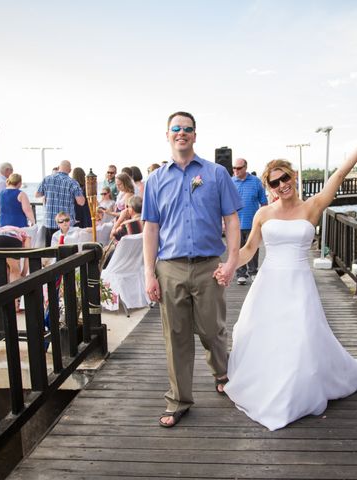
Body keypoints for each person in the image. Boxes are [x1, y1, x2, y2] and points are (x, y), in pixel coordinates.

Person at [215, 130, 357, 431]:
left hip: (300, 284)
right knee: (267, 335)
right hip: (269, 283)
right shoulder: (264, 214)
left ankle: (297, 391)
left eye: (285, 178)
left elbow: (341, 172)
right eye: (275, 182)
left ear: (293, 176)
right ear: (270, 187)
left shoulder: (312, 207)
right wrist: (227, 266)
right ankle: (272, 387)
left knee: (301, 335)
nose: (282, 185)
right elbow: (250, 249)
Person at [142, 111, 242, 428]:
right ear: (168, 135)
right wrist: (148, 273)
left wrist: (231, 261)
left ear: (195, 136)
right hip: (169, 268)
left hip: (208, 267)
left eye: (187, 129)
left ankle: (222, 373)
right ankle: (179, 400)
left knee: (213, 330)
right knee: (176, 337)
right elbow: (150, 229)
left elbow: (232, 220)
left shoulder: (216, 174)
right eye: (176, 128)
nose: (181, 133)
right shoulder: (156, 180)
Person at [231, 157, 268, 285]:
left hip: (253, 223)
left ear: (246, 168)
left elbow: (264, 202)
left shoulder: (256, 182)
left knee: (253, 248)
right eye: (234, 168)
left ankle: (253, 272)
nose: (236, 170)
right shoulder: (230, 182)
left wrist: (264, 221)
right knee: (237, 249)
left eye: (239, 168)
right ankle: (241, 274)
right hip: (235, 224)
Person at [36, 160, 85, 246]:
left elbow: (37, 194)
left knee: (50, 252)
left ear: (59, 168)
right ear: (69, 170)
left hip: (50, 221)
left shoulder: (47, 179)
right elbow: (81, 202)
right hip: (66, 223)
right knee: (67, 251)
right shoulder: (72, 182)